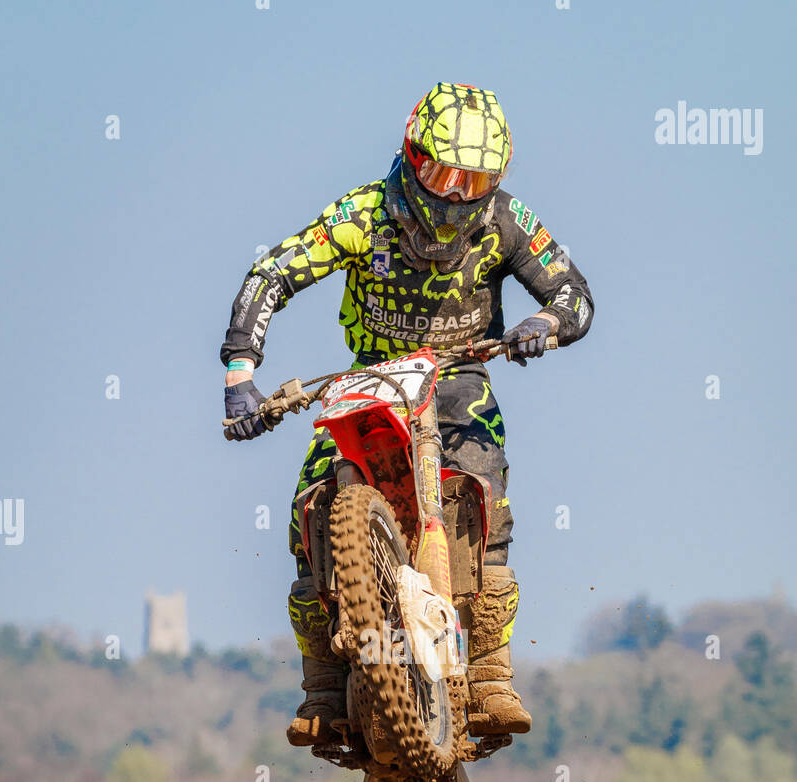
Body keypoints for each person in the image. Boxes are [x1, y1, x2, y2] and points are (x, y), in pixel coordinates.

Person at [221, 82, 593, 746]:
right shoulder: (363, 214)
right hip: (369, 380)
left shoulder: (506, 220)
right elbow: (272, 272)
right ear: (410, 154)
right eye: (441, 173)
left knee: (486, 503)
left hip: (460, 379)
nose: (454, 194)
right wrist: (241, 375)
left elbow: (574, 291)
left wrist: (544, 320)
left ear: (497, 178)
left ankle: (489, 676)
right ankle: (322, 689)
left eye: (472, 179)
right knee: (309, 513)